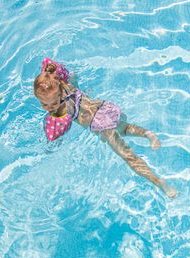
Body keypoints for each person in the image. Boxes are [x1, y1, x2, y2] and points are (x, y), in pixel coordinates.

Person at [33, 58, 177, 198]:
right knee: (124, 129)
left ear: (60, 97)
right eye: (43, 103)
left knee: (128, 157)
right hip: (106, 107)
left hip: (101, 125)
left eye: (50, 104)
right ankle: (148, 134)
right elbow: (73, 76)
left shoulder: (61, 111)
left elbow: (57, 132)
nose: (46, 108)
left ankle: (158, 182)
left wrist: (51, 146)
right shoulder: (66, 84)